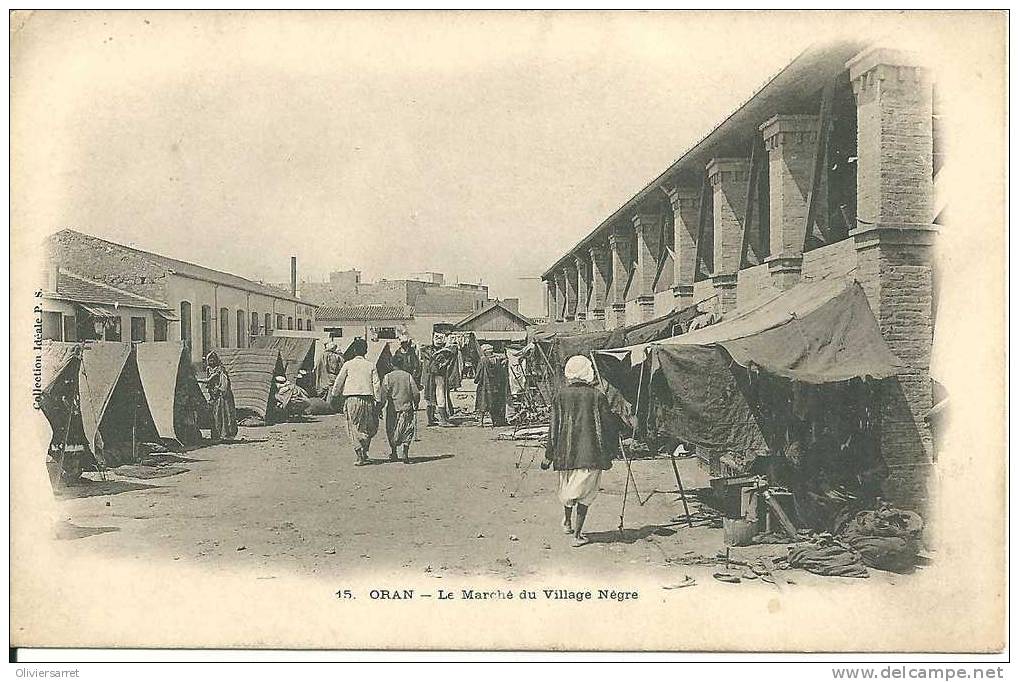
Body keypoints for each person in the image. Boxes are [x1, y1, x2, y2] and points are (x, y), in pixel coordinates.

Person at [541, 355, 619, 547]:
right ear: (587, 371)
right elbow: (609, 426)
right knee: (585, 493)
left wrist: (548, 455)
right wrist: (611, 449)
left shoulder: (560, 395)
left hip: (565, 453)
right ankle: (577, 535)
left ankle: (567, 522)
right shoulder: (597, 395)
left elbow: (553, 428)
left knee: (568, 489)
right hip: (590, 453)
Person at [328, 337, 381, 466]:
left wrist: (334, 396)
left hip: (351, 399)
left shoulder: (348, 364)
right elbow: (376, 385)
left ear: (354, 350)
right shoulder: (370, 365)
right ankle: (365, 451)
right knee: (368, 427)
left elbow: (338, 382)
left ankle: (359, 455)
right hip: (368, 399)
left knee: (352, 426)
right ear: (366, 351)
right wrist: (378, 401)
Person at [381, 353, 421, 463]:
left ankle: (394, 452)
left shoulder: (388, 377)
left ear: (391, 364)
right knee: (407, 430)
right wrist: (416, 403)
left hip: (393, 409)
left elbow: (383, 394)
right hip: (407, 408)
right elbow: (416, 392)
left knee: (392, 430)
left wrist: (380, 407)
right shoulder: (408, 376)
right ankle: (405, 453)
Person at [203, 351, 238, 443]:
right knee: (215, 415)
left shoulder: (220, 369)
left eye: (213, 359)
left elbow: (209, 380)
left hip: (223, 395)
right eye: (209, 360)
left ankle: (225, 435)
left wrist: (195, 380)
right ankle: (217, 435)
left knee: (224, 414)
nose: (211, 361)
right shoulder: (208, 369)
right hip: (214, 395)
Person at [475, 344, 508, 427]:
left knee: (482, 403)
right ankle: (494, 422)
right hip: (495, 385)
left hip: (484, 385)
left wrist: (476, 380)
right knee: (493, 403)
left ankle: (481, 422)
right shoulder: (497, 360)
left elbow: (478, 373)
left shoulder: (483, 360)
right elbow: (500, 373)